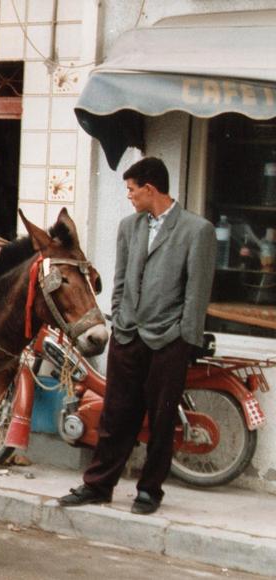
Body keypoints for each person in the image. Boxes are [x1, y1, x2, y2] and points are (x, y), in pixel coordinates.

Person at [58, 157, 216, 515]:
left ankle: (150, 490)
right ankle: (98, 485)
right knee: (115, 415)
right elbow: (120, 281)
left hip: (169, 340)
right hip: (128, 334)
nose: (128, 196)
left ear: (150, 189)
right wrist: (120, 319)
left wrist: (184, 342)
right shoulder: (129, 226)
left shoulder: (196, 230)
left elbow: (197, 294)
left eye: (131, 189)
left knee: (161, 420)